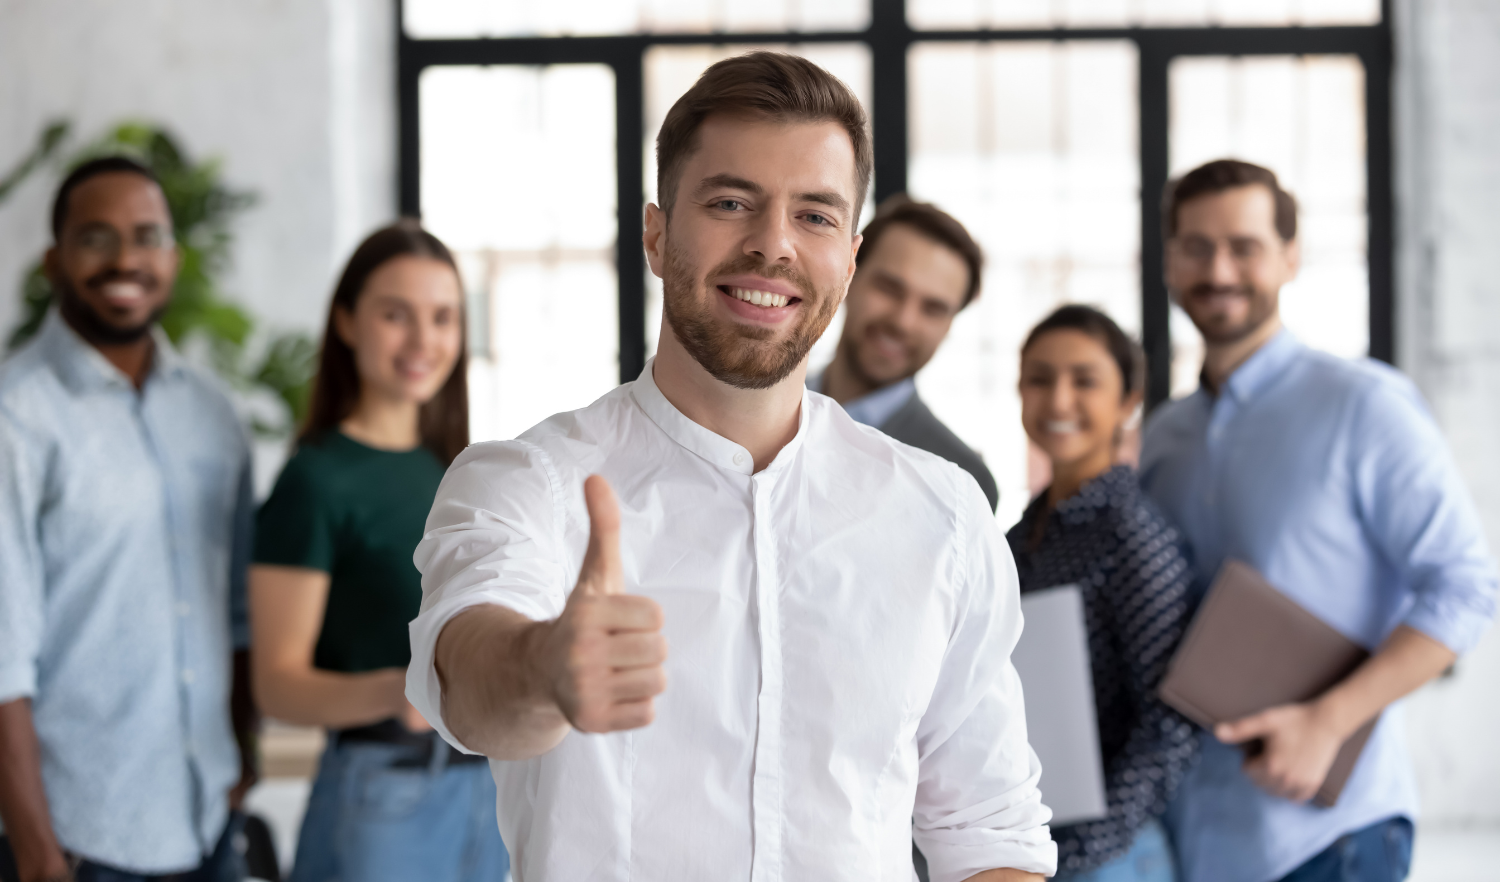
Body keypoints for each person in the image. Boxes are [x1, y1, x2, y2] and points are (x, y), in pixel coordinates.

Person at [405, 52, 1056, 881]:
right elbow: (468, 682)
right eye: (730, 202)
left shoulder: (943, 515)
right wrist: (543, 667)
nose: (772, 246)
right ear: (655, 233)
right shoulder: (526, 482)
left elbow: (991, 830)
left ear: (849, 259)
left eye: (814, 216)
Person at [1139, 159, 1498, 882]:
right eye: (1197, 246)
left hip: (1330, 838)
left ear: (1289, 257)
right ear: (1170, 260)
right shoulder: (1162, 436)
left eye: (1244, 246)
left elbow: (1466, 587)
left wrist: (1328, 721)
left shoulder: (1364, 405)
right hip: (1195, 841)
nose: (1219, 269)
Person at [0, 157, 256, 882]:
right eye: (95, 238)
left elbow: (236, 612)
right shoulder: (15, 416)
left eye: (146, 237)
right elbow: (1, 662)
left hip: (209, 824)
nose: (125, 260)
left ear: (172, 258)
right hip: (81, 840)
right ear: (53, 259)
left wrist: (243, 757)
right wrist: (37, 854)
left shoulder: (213, 415)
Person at [250, 222, 507, 882]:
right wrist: (401, 690)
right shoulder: (316, 480)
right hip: (386, 792)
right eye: (396, 315)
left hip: (489, 788)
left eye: (443, 317)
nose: (424, 341)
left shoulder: (460, 470)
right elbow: (276, 684)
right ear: (346, 321)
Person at [1009, 305, 1198, 881]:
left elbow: (1171, 726)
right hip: (1029, 842)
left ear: (1127, 400)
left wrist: (1077, 856)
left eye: (1084, 381)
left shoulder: (1133, 535)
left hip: (1107, 860)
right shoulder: (1021, 536)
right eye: (1039, 379)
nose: (1059, 400)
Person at [815, 194, 999, 510]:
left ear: (949, 326)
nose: (903, 322)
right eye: (889, 289)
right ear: (849, 275)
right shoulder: (757, 413)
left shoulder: (961, 483)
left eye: (933, 309)